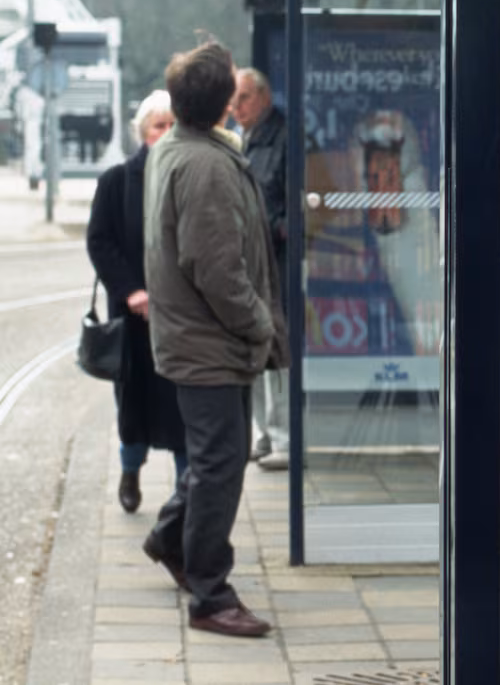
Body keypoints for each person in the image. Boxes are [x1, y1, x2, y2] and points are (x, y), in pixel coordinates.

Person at [140, 41, 288, 638]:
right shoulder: (201, 162)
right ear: (224, 99)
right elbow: (217, 268)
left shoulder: (181, 147)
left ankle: (168, 538)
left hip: (195, 340)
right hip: (212, 345)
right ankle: (210, 594)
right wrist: (259, 324)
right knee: (221, 468)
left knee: (211, 462)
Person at [86, 90, 187, 513]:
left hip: (179, 316)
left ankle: (187, 488)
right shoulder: (115, 182)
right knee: (133, 402)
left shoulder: (187, 175)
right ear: (142, 132)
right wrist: (131, 291)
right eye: (157, 126)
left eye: (171, 126)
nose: (164, 134)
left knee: (183, 405)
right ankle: (131, 470)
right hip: (132, 316)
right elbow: (100, 241)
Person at [231, 67, 290, 471]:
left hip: (277, 261)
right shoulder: (240, 140)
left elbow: (300, 204)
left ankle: (284, 437)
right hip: (248, 262)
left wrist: (275, 232)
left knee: (277, 349)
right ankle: (264, 435)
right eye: (232, 101)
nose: (236, 108)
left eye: (244, 98)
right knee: (252, 346)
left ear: (265, 97)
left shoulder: (285, 138)